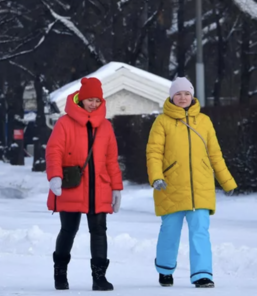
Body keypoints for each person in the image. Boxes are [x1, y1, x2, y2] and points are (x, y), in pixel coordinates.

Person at [145, 77, 237, 288]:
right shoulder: (162, 122)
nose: (183, 97)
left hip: (201, 187)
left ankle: (202, 274)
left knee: (200, 232)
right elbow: (154, 153)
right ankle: (165, 268)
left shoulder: (204, 121)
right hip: (170, 187)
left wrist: (227, 181)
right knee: (170, 232)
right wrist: (157, 177)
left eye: (187, 93)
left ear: (192, 96)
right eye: (178, 94)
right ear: (171, 96)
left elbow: (215, 154)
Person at [46, 77, 123, 291]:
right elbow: (54, 151)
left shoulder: (106, 126)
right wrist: (54, 176)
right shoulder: (64, 123)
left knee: (99, 231)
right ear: (81, 99)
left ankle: (99, 278)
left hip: (99, 188)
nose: (94, 104)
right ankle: (60, 273)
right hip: (72, 186)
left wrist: (116, 188)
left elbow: (111, 160)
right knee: (68, 230)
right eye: (90, 100)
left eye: (97, 100)